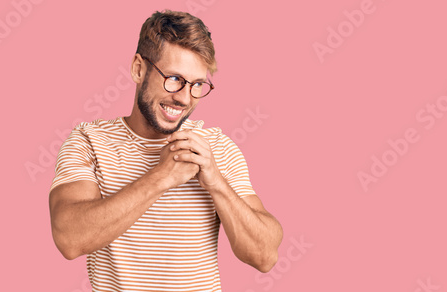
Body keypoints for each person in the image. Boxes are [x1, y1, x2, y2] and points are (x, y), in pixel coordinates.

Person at [49, 10, 283, 292]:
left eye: (197, 85)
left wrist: (216, 183)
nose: (184, 98)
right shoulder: (89, 141)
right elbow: (69, 238)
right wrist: (162, 177)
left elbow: (265, 255)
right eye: (174, 79)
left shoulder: (216, 148)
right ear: (138, 69)